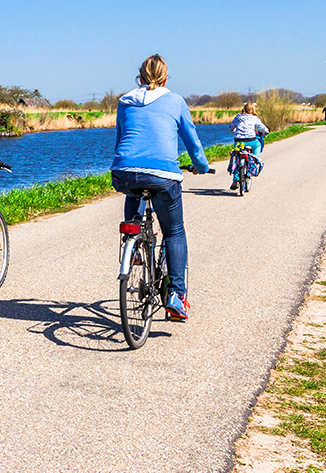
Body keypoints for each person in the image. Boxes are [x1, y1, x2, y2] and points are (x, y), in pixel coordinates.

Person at [111, 54, 210, 322]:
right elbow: (192, 141)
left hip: (123, 171)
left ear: (140, 78)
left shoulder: (124, 101)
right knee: (174, 232)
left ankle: (131, 243)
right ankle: (177, 296)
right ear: (165, 78)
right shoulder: (175, 100)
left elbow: (121, 137)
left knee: (133, 186)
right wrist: (201, 165)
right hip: (162, 176)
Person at [228, 102, 270, 190]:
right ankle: (254, 161)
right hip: (251, 140)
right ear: (253, 110)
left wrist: (235, 130)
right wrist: (266, 131)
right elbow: (262, 128)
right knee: (257, 146)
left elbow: (231, 128)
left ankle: (235, 180)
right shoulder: (254, 118)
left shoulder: (238, 117)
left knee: (236, 158)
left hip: (239, 141)